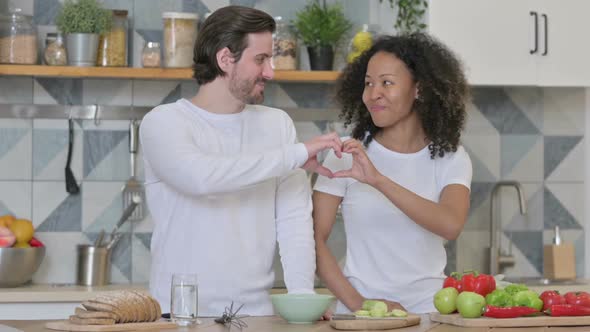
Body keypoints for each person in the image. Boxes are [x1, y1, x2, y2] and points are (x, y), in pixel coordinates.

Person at [140, 6, 342, 316]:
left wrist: (302, 297)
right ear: (225, 59)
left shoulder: (277, 124)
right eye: (261, 59)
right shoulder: (165, 123)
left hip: (255, 315)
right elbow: (202, 178)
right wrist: (296, 154)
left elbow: (294, 221)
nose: (271, 72)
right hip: (179, 315)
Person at [313, 33, 473, 314]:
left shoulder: (451, 157)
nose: (374, 94)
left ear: (419, 89)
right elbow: (312, 239)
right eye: (368, 83)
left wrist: (379, 180)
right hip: (360, 315)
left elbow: (450, 224)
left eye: (387, 82)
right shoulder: (346, 153)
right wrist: (361, 305)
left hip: (431, 313)